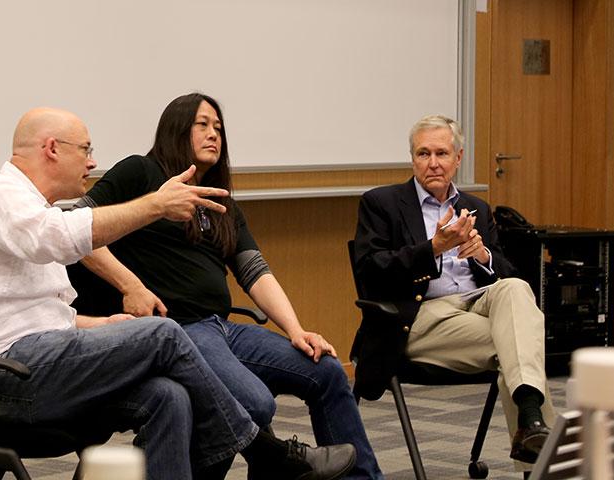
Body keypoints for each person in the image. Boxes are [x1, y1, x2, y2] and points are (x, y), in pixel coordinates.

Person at [0, 107, 356, 480]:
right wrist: (155, 205)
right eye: (85, 149)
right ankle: (266, 453)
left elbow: (34, 314)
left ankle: (263, 456)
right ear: (51, 148)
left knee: (167, 396)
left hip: (30, 365)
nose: (93, 161)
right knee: (164, 332)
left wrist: (101, 325)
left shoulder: (28, 207)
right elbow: (59, 239)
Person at [73, 93, 384, 480]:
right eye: (202, 125)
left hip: (222, 329)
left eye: (218, 127)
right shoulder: (142, 173)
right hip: (177, 331)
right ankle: (170, 460)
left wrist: (295, 329)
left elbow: (256, 273)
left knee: (327, 370)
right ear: (176, 128)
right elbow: (71, 224)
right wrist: (130, 284)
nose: (213, 134)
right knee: (254, 404)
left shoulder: (222, 203)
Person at [350, 114, 557, 465]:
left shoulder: (475, 207)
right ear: (412, 158)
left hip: (476, 306)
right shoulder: (382, 204)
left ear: (458, 158)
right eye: (423, 154)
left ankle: (532, 424)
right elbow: (371, 271)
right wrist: (432, 248)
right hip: (418, 319)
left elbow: (506, 276)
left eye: (442, 154)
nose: (433, 163)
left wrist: (484, 255)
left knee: (516, 290)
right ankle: (534, 437)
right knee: (521, 344)